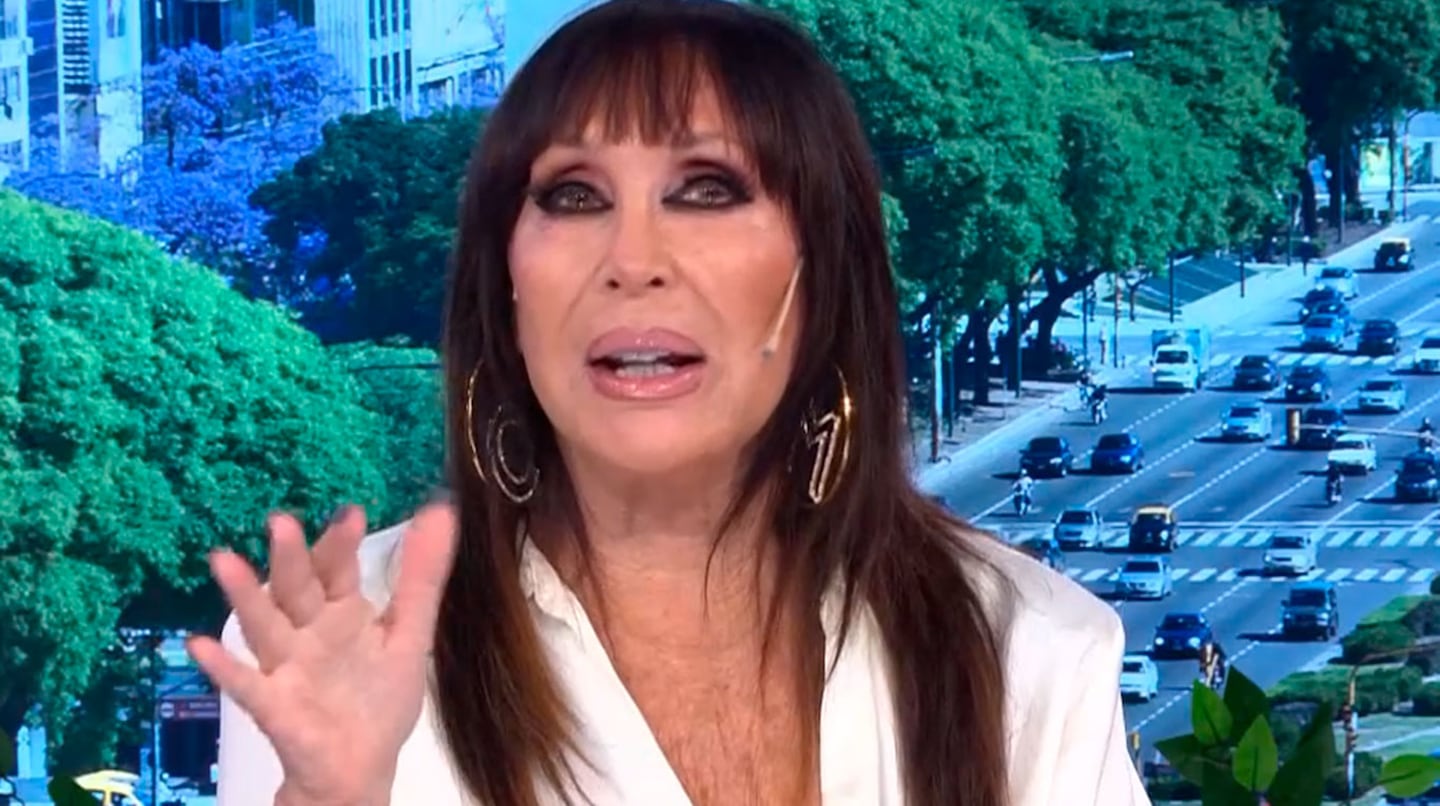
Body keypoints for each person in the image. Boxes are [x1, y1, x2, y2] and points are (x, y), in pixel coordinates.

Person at [190, 2, 1148, 805]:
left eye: (706, 190)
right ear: (506, 281)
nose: (633, 261)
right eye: (573, 197)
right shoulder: (337, 651)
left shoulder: (1030, 652)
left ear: (820, 273)